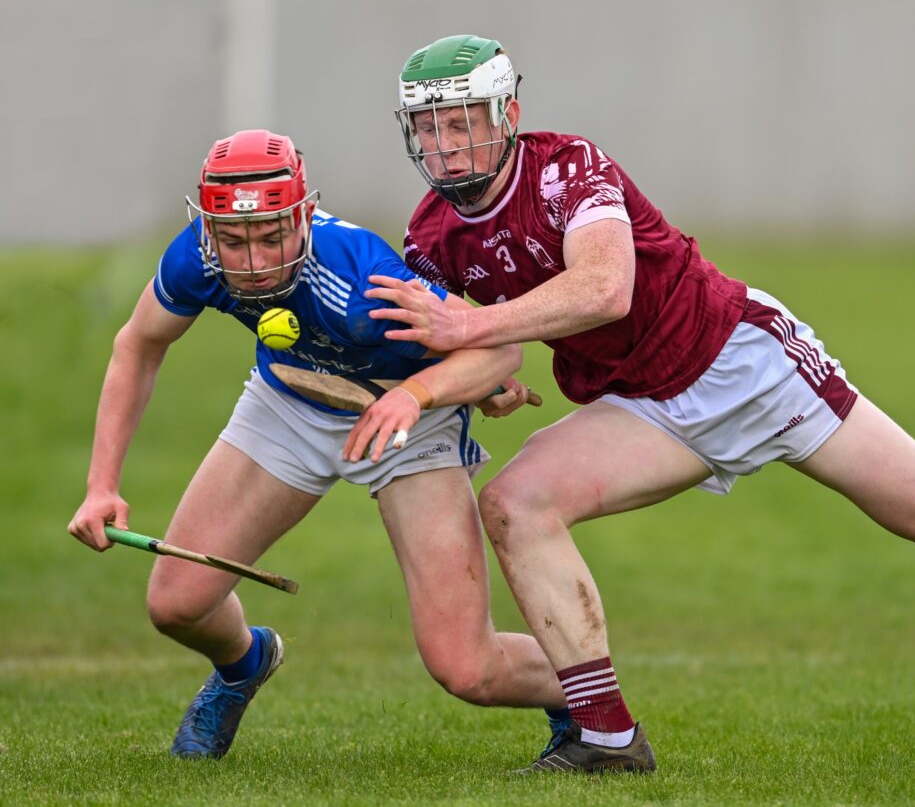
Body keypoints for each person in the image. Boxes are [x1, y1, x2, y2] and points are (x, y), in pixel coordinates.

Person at [365, 33, 915, 773]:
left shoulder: (566, 168)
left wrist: (473, 324)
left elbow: (605, 287)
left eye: (462, 122)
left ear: (507, 113)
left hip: (746, 364)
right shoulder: (430, 235)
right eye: (428, 127)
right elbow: (470, 348)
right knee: (516, 502)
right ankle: (608, 740)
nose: (445, 144)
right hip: (646, 406)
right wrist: (485, 376)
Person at [67, 128, 569, 761]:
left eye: (272, 237)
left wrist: (429, 391)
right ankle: (244, 664)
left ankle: (589, 699)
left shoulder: (360, 274)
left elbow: (500, 350)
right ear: (209, 226)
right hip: (289, 401)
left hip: (409, 420)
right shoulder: (197, 257)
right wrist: (101, 486)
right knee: (176, 605)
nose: (252, 263)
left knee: (469, 669)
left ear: (304, 216)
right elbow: (138, 344)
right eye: (234, 240)